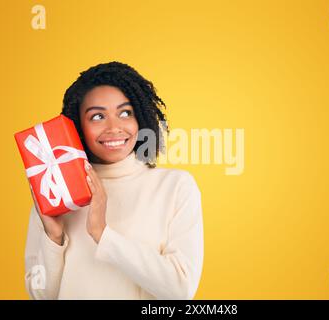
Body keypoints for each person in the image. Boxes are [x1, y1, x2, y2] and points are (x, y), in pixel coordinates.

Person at [24, 61, 204, 299]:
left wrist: (102, 233)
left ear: (140, 118)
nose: (114, 127)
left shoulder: (175, 187)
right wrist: (54, 238)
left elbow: (180, 290)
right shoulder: (56, 190)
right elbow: (40, 295)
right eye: (97, 116)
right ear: (77, 127)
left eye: (125, 113)